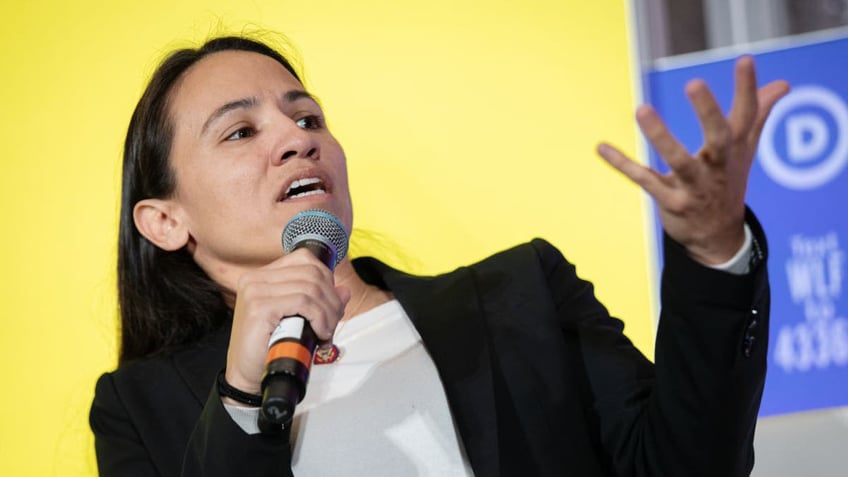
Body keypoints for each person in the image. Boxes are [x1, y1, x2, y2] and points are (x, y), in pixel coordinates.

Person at [89, 34, 789, 476]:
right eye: (240, 131)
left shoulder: (521, 297)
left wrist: (711, 255)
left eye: (307, 117)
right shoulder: (139, 409)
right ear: (164, 220)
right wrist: (243, 397)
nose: (297, 138)